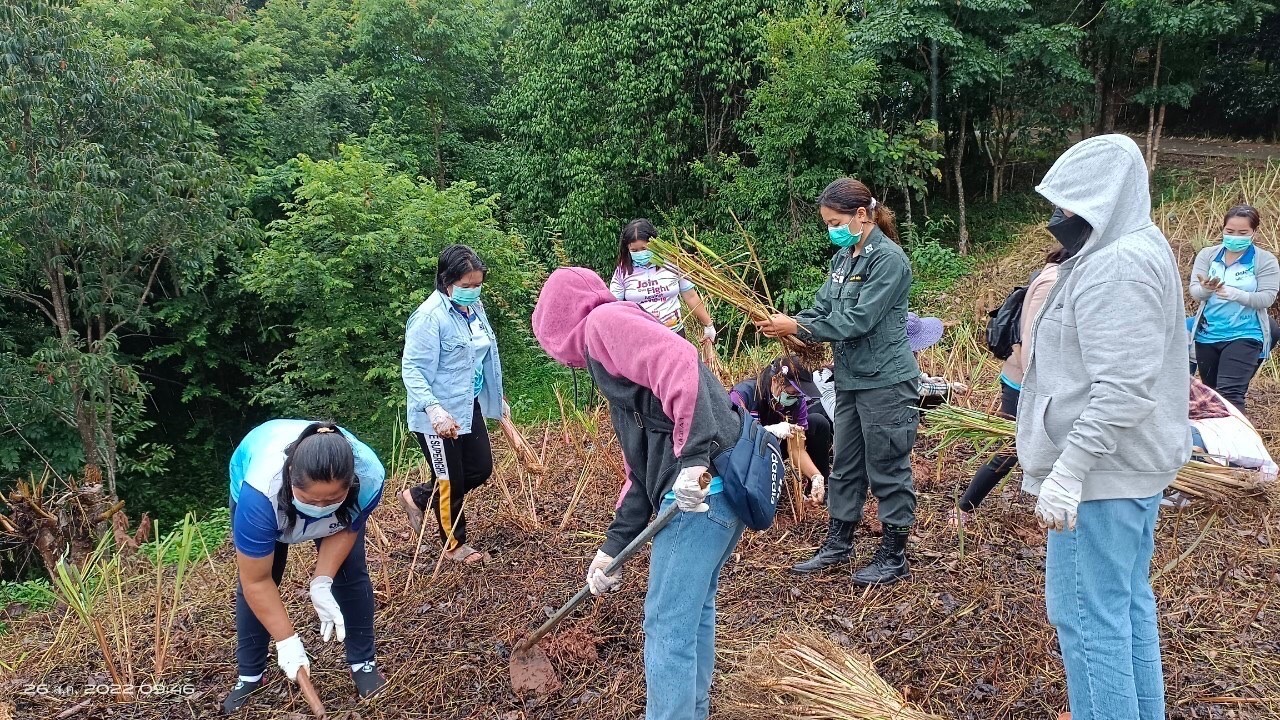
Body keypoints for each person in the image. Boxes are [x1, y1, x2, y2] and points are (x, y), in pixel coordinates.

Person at [1019, 134, 1189, 720]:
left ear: (1104, 200)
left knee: (1088, 618)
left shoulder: (1117, 268)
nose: (1058, 219)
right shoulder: (1128, 245)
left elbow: (1122, 389)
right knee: (1124, 607)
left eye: (1068, 207)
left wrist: (1069, 470)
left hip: (1103, 475)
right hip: (1125, 470)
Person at [532, 267, 744, 720]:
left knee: (666, 626)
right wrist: (611, 549)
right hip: (716, 494)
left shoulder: (603, 324)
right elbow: (639, 472)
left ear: (558, 326)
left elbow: (680, 359)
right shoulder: (620, 373)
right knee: (692, 614)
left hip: (701, 492)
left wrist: (692, 460)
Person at [755, 177, 920, 586]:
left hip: (885, 381)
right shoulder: (843, 260)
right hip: (850, 379)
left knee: (887, 465)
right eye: (827, 223)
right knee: (844, 464)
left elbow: (859, 319)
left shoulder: (889, 261)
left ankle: (893, 553)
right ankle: (838, 543)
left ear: (861, 215)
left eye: (835, 221)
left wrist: (799, 326)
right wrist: (792, 326)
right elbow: (821, 307)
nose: (832, 229)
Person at [224, 420, 387, 714]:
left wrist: (321, 580)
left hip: (340, 501)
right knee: (263, 581)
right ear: (290, 477)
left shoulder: (369, 477)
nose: (321, 506)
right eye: (311, 499)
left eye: (331, 499)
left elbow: (348, 527)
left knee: (350, 573)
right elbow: (256, 581)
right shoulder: (259, 494)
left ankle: (362, 662)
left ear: (350, 484)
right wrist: (287, 642)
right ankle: (249, 674)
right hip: (270, 502)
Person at [399, 245, 507, 566]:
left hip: (466, 403)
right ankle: (454, 545)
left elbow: (481, 357)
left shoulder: (474, 310)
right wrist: (433, 409)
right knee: (450, 481)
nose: (474, 291)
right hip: (437, 416)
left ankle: (417, 496)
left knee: (479, 468)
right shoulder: (429, 318)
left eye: (478, 285)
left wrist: (496, 395)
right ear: (447, 282)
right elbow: (413, 369)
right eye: (467, 285)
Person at [949, 246, 1067, 526]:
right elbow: (1029, 339)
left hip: (1032, 380)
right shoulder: (1053, 281)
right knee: (1010, 448)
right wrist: (1039, 387)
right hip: (1023, 381)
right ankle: (963, 509)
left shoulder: (1058, 276)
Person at [1188, 204, 1279, 412]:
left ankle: (1241, 443)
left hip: (1245, 333)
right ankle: (1216, 443)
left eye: (1242, 233)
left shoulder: (1264, 260)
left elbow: (1267, 298)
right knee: (1212, 396)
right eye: (1229, 231)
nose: (1234, 237)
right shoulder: (1208, 255)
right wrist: (1206, 289)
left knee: (1231, 394)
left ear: (1254, 232)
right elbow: (1195, 291)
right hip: (1208, 334)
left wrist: (1237, 295)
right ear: (1223, 229)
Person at [728, 356, 833, 504]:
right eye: (792, 393)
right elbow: (733, 435)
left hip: (776, 447)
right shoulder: (744, 394)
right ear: (776, 381)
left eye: (799, 395)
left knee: (817, 422)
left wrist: (816, 476)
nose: (796, 398)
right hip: (747, 452)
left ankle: (819, 491)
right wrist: (768, 431)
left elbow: (797, 449)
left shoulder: (797, 401)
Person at [609, 218, 716, 343]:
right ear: (627, 249)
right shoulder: (623, 271)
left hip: (674, 335)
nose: (640, 253)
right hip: (639, 339)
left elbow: (691, 296)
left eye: (644, 248)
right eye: (634, 251)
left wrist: (708, 324)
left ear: (654, 243)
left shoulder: (673, 263)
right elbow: (613, 305)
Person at [908, 311, 969, 412]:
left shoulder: (905, 351)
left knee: (931, 378)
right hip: (894, 401)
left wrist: (927, 379)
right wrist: (950, 387)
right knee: (945, 392)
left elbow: (910, 375)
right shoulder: (903, 357)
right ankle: (914, 414)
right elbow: (917, 389)